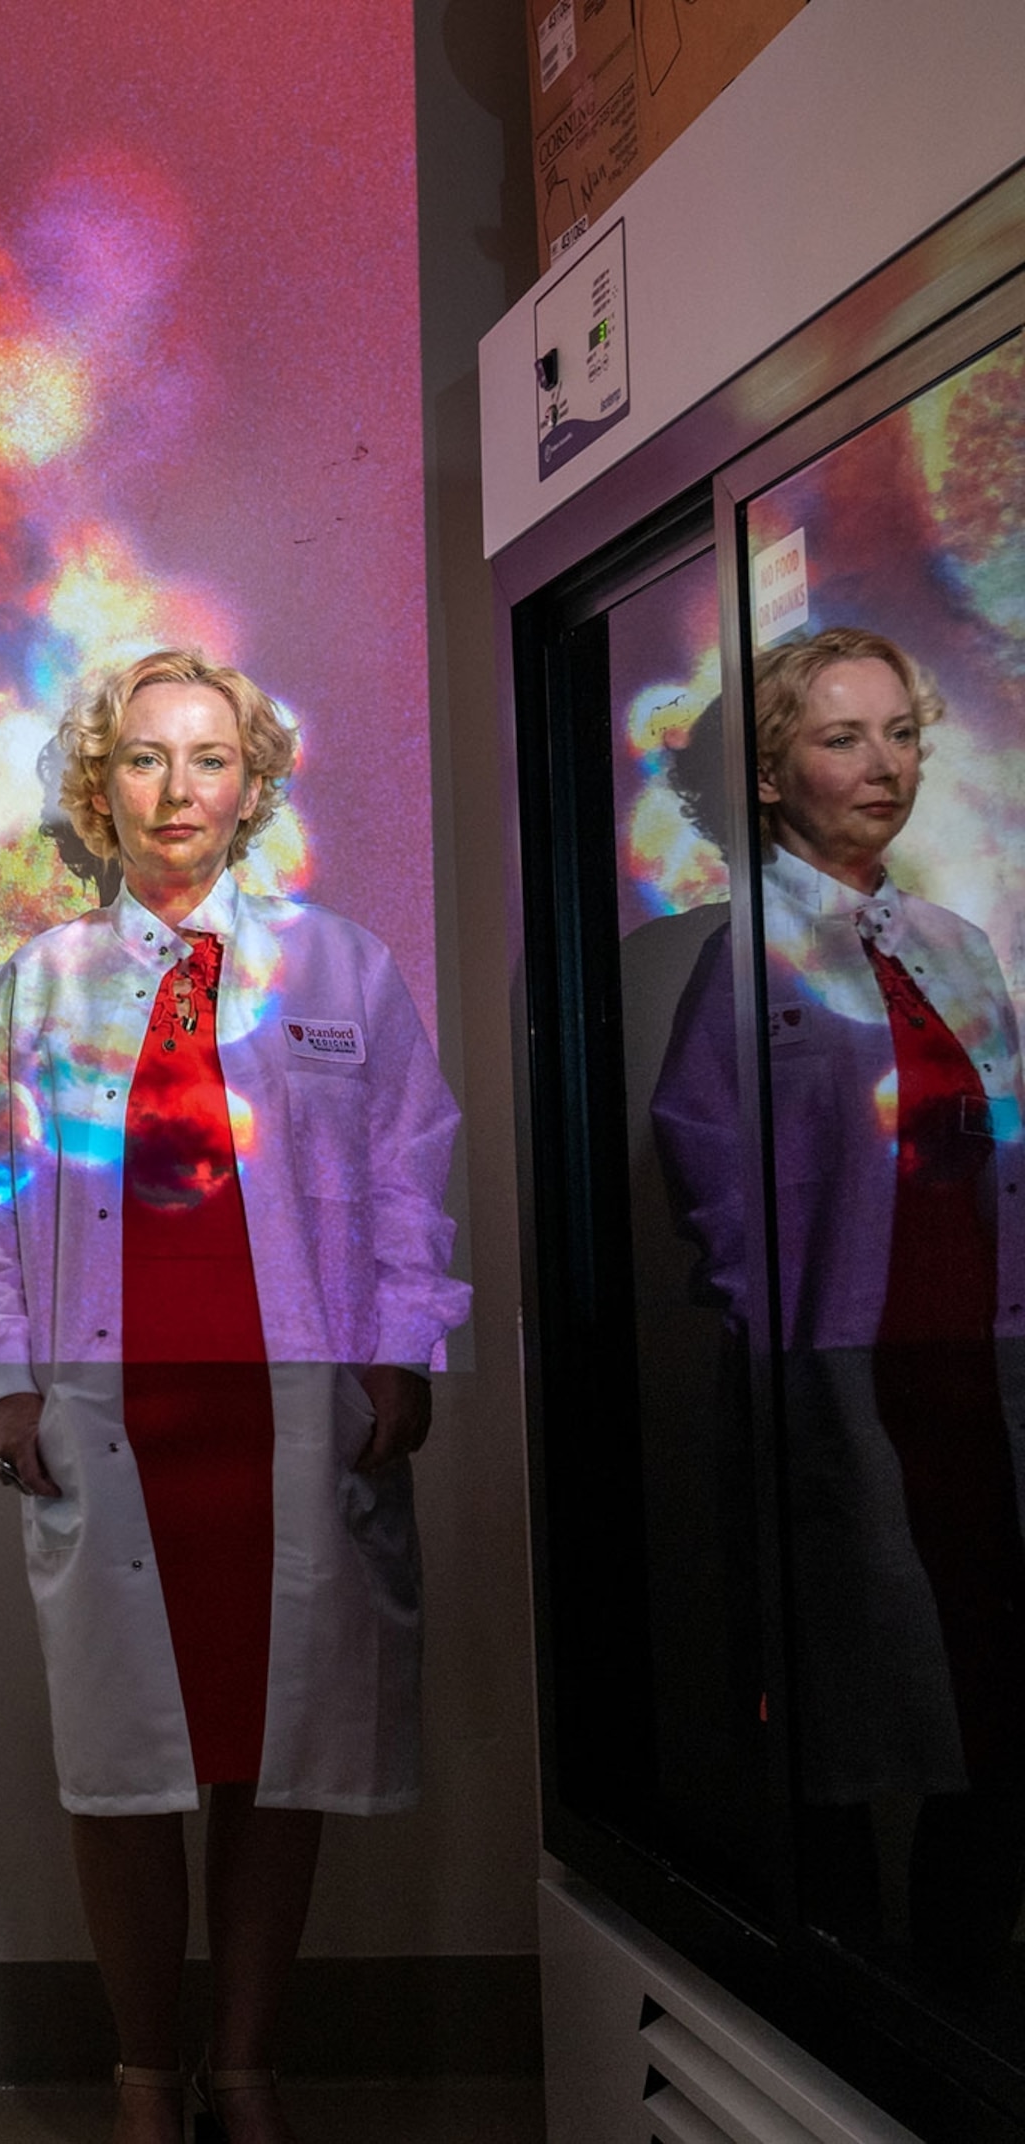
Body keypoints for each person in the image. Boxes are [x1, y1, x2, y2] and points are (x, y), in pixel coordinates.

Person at [0, 650, 470, 2144]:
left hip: (291, 1415)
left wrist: (405, 1354)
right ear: (99, 788)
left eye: (211, 759)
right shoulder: (34, 989)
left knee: (275, 1749)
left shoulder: (343, 971)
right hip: (113, 1416)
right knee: (121, 1770)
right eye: (147, 760)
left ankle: (245, 2065)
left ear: (255, 786)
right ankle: (143, 2075)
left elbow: (405, 1176)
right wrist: (6, 1378)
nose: (180, 790)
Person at [651, 625, 1025, 1985]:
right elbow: (705, 1155)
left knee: (995, 1658)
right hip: (839, 1369)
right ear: (770, 774)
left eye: (903, 734)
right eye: (842, 737)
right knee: (841, 1660)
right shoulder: (746, 954)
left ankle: (968, 1964)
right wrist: (780, 1325)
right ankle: (848, 1978)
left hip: (981, 1360)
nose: (884, 766)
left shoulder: (958, 946)